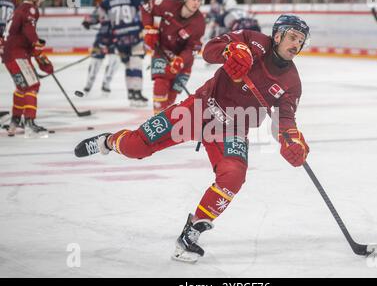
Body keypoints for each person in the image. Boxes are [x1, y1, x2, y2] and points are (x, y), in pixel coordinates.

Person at [74, 14, 310, 263]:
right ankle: (108, 142)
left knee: (233, 176)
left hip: (232, 129)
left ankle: (192, 231)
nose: (296, 44)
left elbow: (286, 120)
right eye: (292, 37)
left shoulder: (292, 82)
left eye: (301, 40)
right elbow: (209, 51)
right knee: (135, 148)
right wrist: (230, 50)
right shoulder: (252, 40)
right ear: (277, 35)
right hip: (199, 108)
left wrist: (292, 141)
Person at [142, 0, 206, 114]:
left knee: (172, 95)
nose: (196, 3)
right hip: (161, 51)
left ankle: (163, 121)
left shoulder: (199, 23)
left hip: (183, 62)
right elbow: (146, 8)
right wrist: (149, 28)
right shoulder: (168, 5)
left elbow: (193, 48)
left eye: (199, 0)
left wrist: (181, 60)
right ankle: (156, 120)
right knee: (161, 83)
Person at [2, 0, 54, 138]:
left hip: (8, 55)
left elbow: (21, 36)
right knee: (32, 85)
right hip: (17, 55)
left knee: (22, 87)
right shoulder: (29, 9)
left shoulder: (18, 9)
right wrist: (38, 50)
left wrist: (37, 54)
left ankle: (14, 122)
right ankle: (30, 125)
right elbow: (30, 33)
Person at [96, 0, 147, 107]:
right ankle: (137, 93)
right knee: (136, 64)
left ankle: (130, 93)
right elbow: (144, 15)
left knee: (129, 65)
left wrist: (105, 42)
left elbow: (105, 24)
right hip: (135, 38)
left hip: (120, 40)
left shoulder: (106, 1)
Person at [81, 2, 120, 97]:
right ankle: (88, 85)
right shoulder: (104, 5)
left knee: (114, 62)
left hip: (116, 39)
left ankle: (106, 84)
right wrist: (88, 21)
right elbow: (94, 17)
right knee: (94, 63)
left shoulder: (123, 5)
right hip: (101, 39)